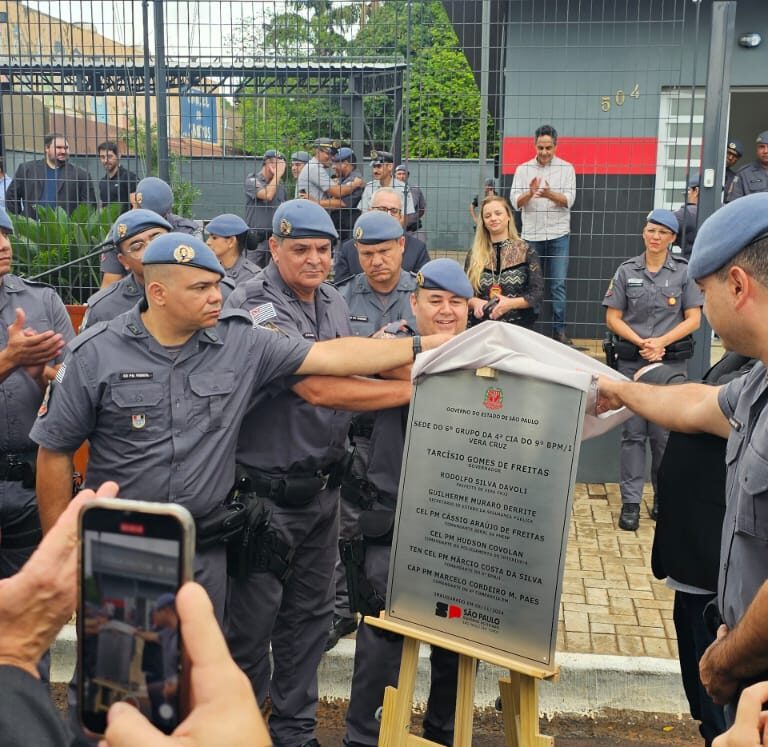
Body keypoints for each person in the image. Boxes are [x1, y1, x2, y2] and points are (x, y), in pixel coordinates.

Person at [31, 231, 445, 622]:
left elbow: (331, 358)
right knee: (119, 677)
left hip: (204, 547)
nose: (217, 297)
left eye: (217, 284)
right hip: (123, 545)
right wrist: (61, 551)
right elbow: (53, 452)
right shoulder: (94, 354)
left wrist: (427, 344)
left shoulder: (241, 343)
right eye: (200, 289)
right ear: (157, 293)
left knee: (201, 673)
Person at [224, 200, 417, 747]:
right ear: (275, 249)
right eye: (301, 249)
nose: (315, 260)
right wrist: (411, 391)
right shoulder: (253, 305)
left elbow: (354, 362)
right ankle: (242, 733)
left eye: (324, 250)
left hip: (324, 496)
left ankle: (295, 734)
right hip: (265, 502)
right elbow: (315, 384)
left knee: (308, 628)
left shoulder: (332, 298)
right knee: (249, 633)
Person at [596, 193, 768, 714]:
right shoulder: (758, 380)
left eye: (704, 291)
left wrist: (727, 658)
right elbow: (697, 404)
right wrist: (622, 390)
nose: (704, 308)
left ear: (737, 286)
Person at [0, 478, 272, 747]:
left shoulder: (168, 635)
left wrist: (13, 654)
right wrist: (13, 653)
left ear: (168, 610)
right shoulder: (167, 632)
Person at [342, 258, 470, 747]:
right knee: (382, 635)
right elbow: (384, 362)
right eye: (434, 301)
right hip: (393, 519)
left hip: (458, 522)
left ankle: (443, 734)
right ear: (414, 303)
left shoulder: (488, 349)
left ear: (469, 309)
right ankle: (363, 737)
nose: (445, 311)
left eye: (455, 303)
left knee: (455, 636)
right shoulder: (394, 338)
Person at [650, 354, 754, 746]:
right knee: (705, 712)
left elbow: (707, 404)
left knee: (725, 721)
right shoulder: (746, 356)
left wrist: (656, 379)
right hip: (694, 570)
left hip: (722, 590)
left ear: (741, 289)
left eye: (708, 289)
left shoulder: (756, 378)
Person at [328, 210, 418, 651]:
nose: (376, 261)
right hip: (359, 429)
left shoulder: (424, 295)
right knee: (348, 523)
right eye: (366, 253)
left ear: (402, 245)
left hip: (410, 428)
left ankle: (406, 601)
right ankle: (344, 608)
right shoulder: (341, 299)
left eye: (384, 251)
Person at [0, 204, 73, 682]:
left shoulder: (43, 301)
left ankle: (27, 719)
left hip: (29, 485)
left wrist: (46, 372)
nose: (4, 243)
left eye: (5, 233)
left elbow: (75, 375)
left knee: (31, 619)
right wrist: (7, 360)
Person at [602, 209, 703, 531]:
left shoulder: (684, 273)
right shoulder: (626, 270)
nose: (655, 237)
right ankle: (630, 502)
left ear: (672, 238)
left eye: (662, 232)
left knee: (664, 437)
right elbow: (613, 317)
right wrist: (642, 341)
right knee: (632, 435)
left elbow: (694, 319)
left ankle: (662, 498)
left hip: (669, 365)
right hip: (633, 362)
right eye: (650, 231)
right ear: (643, 234)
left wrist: (661, 342)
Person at [509, 124, 576, 345]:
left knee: (557, 284)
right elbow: (515, 203)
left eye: (548, 148)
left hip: (558, 234)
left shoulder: (567, 169)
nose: (544, 152)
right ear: (534, 145)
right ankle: (530, 332)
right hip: (532, 235)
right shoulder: (522, 169)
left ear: (556, 146)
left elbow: (569, 201)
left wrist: (548, 194)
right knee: (531, 285)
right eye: (540, 148)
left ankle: (560, 332)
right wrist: (529, 194)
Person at [100, 176, 201, 288]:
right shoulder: (120, 233)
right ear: (133, 199)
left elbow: (200, 278)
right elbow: (109, 286)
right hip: (133, 296)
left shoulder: (187, 232)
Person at [82, 209, 172, 331]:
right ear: (124, 261)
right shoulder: (105, 308)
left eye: (157, 237)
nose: (151, 248)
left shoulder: (201, 288)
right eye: (138, 247)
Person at [465, 194, 543, 329]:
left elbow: (537, 294)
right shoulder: (473, 254)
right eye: (487, 216)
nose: (493, 218)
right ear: (483, 222)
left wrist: (511, 303)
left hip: (518, 328)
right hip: (481, 329)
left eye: (498, 213)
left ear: (508, 217)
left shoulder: (526, 251)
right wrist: (474, 302)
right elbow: (463, 296)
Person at [334, 188, 430, 280]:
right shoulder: (349, 249)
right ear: (370, 211)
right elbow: (341, 291)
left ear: (401, 217)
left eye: (393, 211)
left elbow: (423, 290)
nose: (387, 215)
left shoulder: (417, 249)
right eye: (382, 209)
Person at [5, 132, 96, 218]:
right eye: (59, 147)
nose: (63, 151)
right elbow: (11, 197)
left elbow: (89, 206)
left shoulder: (81, 175)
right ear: (47, 148)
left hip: (65, 231)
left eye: (66, 148)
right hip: (32, 230)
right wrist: (20, 221)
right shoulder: (26, 169)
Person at [245, 149, 287, 268]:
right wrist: (278, 175)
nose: (282, 171)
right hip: (257, 242)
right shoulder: (252, 180)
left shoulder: (280, 185)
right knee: (250, 276)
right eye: (280, 166)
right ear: (269, 164)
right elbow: (267, 195)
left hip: (274, 240)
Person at [205, 213, 261, 286]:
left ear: (231, 241)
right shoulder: (210, 270)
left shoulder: (252, 278)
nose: (208, 242)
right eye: (209, 237)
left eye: (214, 238)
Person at [322, 147, 364, 243]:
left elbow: (341, 203)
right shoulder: (343, 178)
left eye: (336, 163)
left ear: (345, 164)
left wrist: (316, 203)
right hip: (340, 229)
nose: (333, 167)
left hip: (347, 231)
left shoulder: (354, 179)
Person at [358, 150, 415, 217]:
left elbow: (405, 216)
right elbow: (364, 214)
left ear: (390, 167)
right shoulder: (369, 187)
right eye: (374, 167)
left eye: (379, 166)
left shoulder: (402, 188)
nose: (375, 171)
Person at [97, 140, 138, 214]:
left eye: (109, 156)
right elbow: (101, 208)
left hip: (127, 224)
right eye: (102, 157)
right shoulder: (102, 182)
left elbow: (136, 207)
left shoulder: (129, 178)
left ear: (118, 156)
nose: (106, 160)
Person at [726, 131, 768, 202]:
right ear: (756, 149)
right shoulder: (744, 173)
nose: (765, 151)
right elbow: (735, 204)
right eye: (761, 147)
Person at [296, 137, 337, 201]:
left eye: (333, 154)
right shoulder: (314, 168)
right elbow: (337, 192)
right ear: (317, 151)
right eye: (328, 154)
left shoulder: (315, 166)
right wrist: (353, 184)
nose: (332, 157)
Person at [395, 163, 426, 241]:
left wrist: (412, 218)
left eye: (404, 174)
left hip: (413, 229)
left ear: (408, 176)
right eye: (399, 174)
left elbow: (421, 209)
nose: (401, 176)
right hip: (395, 229)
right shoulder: (390, 190)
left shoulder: (415, 190)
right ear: (395, 176)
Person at [674, 176, 700, 258]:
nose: (687, 195)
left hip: (692, 263)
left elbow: (660, 224)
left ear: (696, 191)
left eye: (689, 190)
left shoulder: (687, 213)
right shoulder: (725, 210)